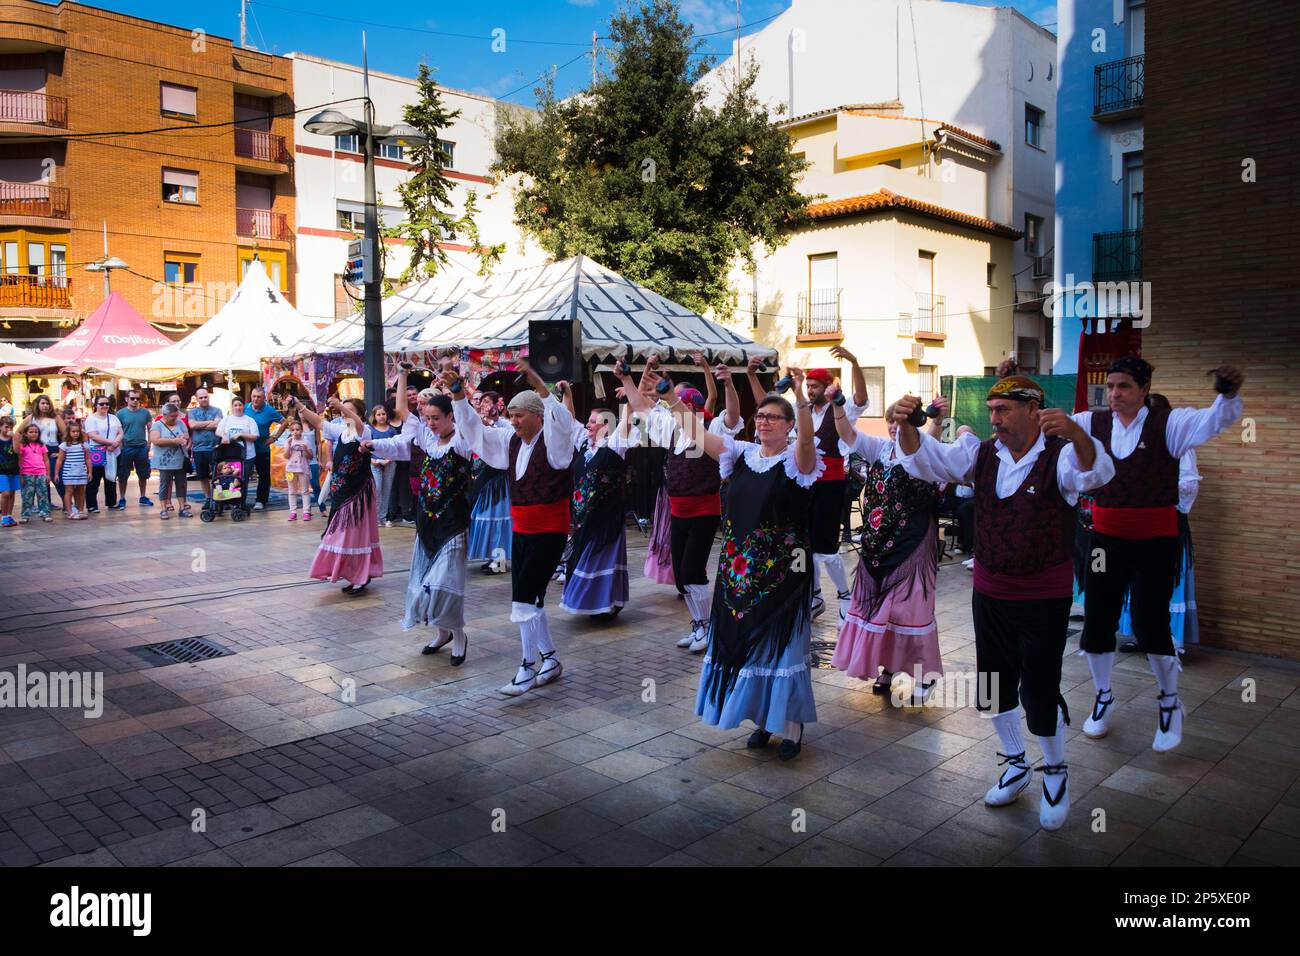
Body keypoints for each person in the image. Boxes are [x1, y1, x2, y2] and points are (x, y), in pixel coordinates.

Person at [893, 376, 1115, 830]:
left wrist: (1076, 433)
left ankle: (1054, 770)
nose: (993, 419)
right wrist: (908, 426)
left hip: (1044, 595)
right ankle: (1015, 763)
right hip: (990, 591)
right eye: (991, 410)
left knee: (1038, 687)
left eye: (1003, 410)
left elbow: (1097, 475)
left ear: (1034, 410)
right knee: (992, 684)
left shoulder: (1062, 455)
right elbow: (927, 461)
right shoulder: (981, 454)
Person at [1073, 358, 1243, 751]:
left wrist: (1228, 393)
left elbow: (1216, 420)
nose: (1114, 394)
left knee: (1152, 623)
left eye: (1124, 387)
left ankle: (1169, 702)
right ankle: (1102, 697)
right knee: (1098, 621)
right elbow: (1053, 427)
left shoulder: (1171, 423)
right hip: (1104, 540)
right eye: (1110, 387)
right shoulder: (1091, 423)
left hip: (1156, 540)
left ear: (1145, 388)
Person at [666, 367, 822, 762]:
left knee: (782, 647)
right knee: (747, 647)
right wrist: (669, 398)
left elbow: (806, 438)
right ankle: (763, 722)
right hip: (738, 574)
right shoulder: (740, 454)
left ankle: (791, 728)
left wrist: (800, 397)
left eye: (773, 417)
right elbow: (698, 433)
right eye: (761, 417)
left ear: (787, 426)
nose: (764, 422)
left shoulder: (798, 461)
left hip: (785, 574)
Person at [452, 359, 577, 696]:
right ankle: (549, 658)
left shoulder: (555, 444)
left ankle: (527, 666)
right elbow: (476, 433)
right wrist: (458, 396)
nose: (513, 420)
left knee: (523, 599)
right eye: (511, 415)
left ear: (538, 416)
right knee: (528, 598)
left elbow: (562, 422)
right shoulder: (510, 443)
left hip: (550, 531)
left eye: (519, 415)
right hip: (522, 532)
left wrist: (539, 383)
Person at [829, 393, 948, 700]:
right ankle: (890, 668)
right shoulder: (879, 447)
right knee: (880, 608)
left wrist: (935, 419)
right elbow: (848, 435)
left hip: (913, 541)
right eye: (892, 420)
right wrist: (838, 405)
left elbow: (929, 439)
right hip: (877, 542)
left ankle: (925, 674)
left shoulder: (925, 449)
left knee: (908, 607)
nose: (896, 426)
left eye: (902, 420)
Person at [618, 359, 742, 650]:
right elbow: (642, 407)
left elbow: (734, 415)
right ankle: (698, 624)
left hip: (704, 510)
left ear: (690, 408)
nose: (671, 410)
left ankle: (707, 627)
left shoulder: (711, 428)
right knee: (681, 575)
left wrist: (728, 383)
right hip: (678, 510)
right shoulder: (671, 430)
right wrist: (626, 379)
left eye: (677, 406)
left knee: (692, 571)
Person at [748, 346, 869, 623]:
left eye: (815, 386)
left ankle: (844, 597)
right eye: (809, 386)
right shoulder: (799, 410)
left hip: (830, 484)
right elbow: (767, 406)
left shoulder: (841, 409)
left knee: (826, 547)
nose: (811, 390)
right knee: (802, 543)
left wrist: (854, 362)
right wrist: (753, 376)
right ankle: (813, 596)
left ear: (827, 388)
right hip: (802, 483)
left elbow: (861, 398)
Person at [364, 386, 473, 661]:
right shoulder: (427, 440)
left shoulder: (462, 441)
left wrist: (458, 394)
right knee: (425, 581)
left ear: (451, 417)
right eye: (428, 418)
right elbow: (403, 416)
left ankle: (458, 633)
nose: (430, 423)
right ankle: (442, 632)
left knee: (443, 583)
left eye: (436, 418)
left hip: (452, 523)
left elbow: (467, 418)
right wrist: (401, 375)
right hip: (426, 522)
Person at [557, 396, 641, 619]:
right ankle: (593, 603)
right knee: (582, 558)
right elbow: (570, 420)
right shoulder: (585, 444)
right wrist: (567, 393)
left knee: (598, 560)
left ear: (606, 426)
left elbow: (626, 422)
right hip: (584, 517)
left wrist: (630, 390)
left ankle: (605, 605)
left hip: (606, 518)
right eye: (589, 422)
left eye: (593, 422)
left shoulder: (614, 445)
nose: (588, 425)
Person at [299, 397, 381, 593]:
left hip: (357, 492)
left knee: (354, 536)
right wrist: (300, 407)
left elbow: (358, 424)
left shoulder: (363, 431)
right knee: (341, 535)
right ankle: (354, 574)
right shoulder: (342, 431)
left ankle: (361, 577)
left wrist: (340, 406)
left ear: (358, 413)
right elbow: (319, 423)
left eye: (349, 410)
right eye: (343, 410)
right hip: (341, 491)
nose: (344, 413)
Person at [466, 388, 514, 574]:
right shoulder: (478, 423)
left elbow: (508, 437)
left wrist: (494, 422)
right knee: (484, 518)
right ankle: (491, 558)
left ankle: (500, 563)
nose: (484, 406)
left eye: (487, 402)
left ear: (498, 405)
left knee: (499, 521)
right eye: (482, 402)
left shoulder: (505, 425)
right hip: (482, 478)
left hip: (499, 479)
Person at [113, 389, 154, 511]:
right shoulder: (120, 414)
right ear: (126, 399)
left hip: (141, 447)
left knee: (143, 474)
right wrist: (119, 444)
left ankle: (142, 496)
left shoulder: (145, 413)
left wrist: (149, 443)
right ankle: (122, 498)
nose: (135, 401)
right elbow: (117, 431)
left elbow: (151, 428)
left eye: (138, 398)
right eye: (132, 398)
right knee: (123, 474)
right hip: (126, 447)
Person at [150, 403, 192, 519]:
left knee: (181, 484)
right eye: (172, 416)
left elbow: (186, 435)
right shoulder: (157, 425)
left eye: (176, 416)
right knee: (164, 484)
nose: (175, 418)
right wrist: (174, 441)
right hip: (164, 461)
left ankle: (182, 508)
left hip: (180, 459)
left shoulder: (180, 422)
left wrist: (182, 439)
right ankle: (164, 509)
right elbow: (155, 440)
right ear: (164, 415)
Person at [244, 387, 283, 511]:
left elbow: (285, 422)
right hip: (246, 449)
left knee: (264, 476)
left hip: (262, 448)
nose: (255, 399)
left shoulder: (269, 410)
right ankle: (239, 499)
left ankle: (261, 500)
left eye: (258, 397)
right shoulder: (244, 408)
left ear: (264, 398)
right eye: (254, 396)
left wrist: (274, 437)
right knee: (243, 475)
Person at [25, 395, 65, 511]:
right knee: (42, 479)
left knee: (56, 476)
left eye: (47, 403)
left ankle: (67, 503)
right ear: (37, 404)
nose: (45, 406)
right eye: (42, 403)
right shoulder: (31, 418)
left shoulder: (56, 418)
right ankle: (46, 503)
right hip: (36, 450)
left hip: (53, 449)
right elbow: (19, 432)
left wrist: (61, 451)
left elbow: (65, 434)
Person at [83, 396, 121, 513]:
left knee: (111, 477)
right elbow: (93, 435)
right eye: (101, 404)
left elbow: (120, 432)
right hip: (97, 452)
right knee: (94, 479)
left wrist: (116, 443)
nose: (104, 406)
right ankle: (91, 505)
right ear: (96, 405)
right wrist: (111, 442)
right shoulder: (91, 419)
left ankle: (111, 502)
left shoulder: (113, 418)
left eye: (106, 403)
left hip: (112, 451)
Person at [187, 388, 222, 502]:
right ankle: (208, 498)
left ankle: (219, 497)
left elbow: (218, 425)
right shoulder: (191, 412)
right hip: (198, 449)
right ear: (197, 399)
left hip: (215, 448)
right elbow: (192, 425)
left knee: (218, 475)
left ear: (209, 397)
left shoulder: (217, 410)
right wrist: (210, 423)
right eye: (201, 398)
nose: (203, 399)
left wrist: (199, 425)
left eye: (205, 397)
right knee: (203, 476)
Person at [14, 420, 53, 523]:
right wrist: (21, 475)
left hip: (41, 473)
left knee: (43, 494)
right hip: (27, 474)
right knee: (27, 495)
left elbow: (46, 460)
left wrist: (48, 474)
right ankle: (25, 515)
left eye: (36, 432)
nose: (33, 434)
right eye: (31, 432)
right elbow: (20, 461)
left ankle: (44, 513)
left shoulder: (41, 445)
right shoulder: (22, 446)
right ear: (26, 434)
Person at [368, 405, 400, 527]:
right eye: (379, 414)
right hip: (375, 463)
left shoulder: (392, 430)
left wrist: (389, 459)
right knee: (377, 489)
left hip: (390, 463)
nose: (381, 417)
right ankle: (375, 518)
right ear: (374, 416)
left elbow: (396, 447)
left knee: (387, 490)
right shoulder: (370, 430)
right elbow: (367, 448)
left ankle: (383, 517)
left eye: (383, 414)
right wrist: (374, 461)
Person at [278, 417, 315, 522]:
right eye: (293, 430)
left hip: (303, 469)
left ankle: (306, 512)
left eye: (297, 429)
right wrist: (289, 447)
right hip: (291, 470)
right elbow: (286, 456)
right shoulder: (288, 441)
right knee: (292, 491)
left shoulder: (306, 441)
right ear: (290, 431)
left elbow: (310, 456)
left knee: (305, 491)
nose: (295, 432)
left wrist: (306, 450)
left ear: (301, 430)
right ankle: (293, 512)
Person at [55, 419, 90, 519]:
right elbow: (59, 460)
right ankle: (70, 512)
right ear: (69, 432)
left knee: (81, 491)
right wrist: (56, 473)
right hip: (69, 472)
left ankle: (80, 510)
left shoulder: (84, 445)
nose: (75, 433)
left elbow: (88, 459)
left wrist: (90, 471)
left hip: (81, 472)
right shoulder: (64, 445)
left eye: (77, 431)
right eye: (73, 431)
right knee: (69, 491)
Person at [215, 397, 259, 467]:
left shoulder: (250, 420)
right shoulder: (226, 419)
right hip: (229, 455)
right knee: (230, 476)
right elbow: (218, 431)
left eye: (240, 405)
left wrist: (240, 434)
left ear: (243, 406)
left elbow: (255, 437)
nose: (238, 407)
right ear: (232, 407)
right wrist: (224, 436)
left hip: (247, 455)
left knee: (245, 476)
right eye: (235, 405)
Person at [0, 417, 20, 527]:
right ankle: (4, 516)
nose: (9, 429)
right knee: (5, 493)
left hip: (14, 470)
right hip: (1, 471)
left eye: (11, 427)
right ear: (0, 427)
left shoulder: (15, 437)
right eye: (6, 427)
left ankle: (9, 516)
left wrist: (14, 437)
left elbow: (16, 450)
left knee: (12, 493)